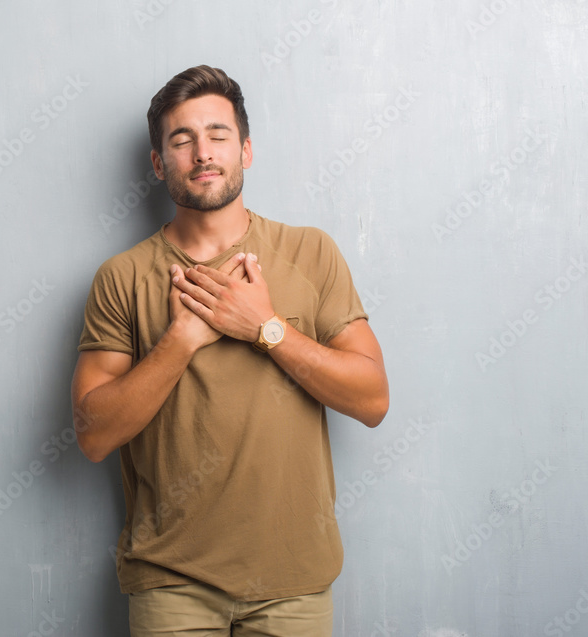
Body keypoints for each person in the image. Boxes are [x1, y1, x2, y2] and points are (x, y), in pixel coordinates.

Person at [71, 65, 389, 636]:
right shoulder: (121, 277)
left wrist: (265, 327)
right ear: (157, 162)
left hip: (294, 582)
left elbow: (373, 400)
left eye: (218, 135)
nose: (202, 153)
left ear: (245, 150)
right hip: (171, 584)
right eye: (181, 139)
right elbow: (93, 435)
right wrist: (181, 342)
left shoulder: (310, 253)